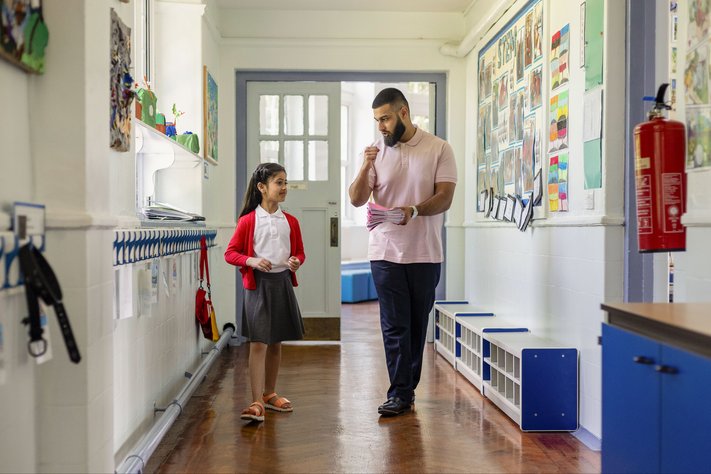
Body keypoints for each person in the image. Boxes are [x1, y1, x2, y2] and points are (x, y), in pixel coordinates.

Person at [349, 88, 457, 416]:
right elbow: (356, 198)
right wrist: (365, 166)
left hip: (425, 252)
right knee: (395, 323)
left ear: (404, 113)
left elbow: (445, 197)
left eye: (385, 118)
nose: (381, 126)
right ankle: (399, 392)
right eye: (377, 120)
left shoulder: (439, 148)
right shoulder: (374, 152)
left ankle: (407, 389)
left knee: (416, 321)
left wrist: (415, 209)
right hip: (384, 251)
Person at [224, 162, 306, 423]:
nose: (284, 187)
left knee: (276, 341)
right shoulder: (248, 221)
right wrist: (252, 261)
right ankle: (256, 400)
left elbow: (300, 252)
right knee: (259, 342)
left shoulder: (290, 221)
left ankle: (270, 394)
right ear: (262, 187)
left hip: (281, 283)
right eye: (278, 182)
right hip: (257, 287)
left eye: (285, 182)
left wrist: (296, 261)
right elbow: (231, 253)